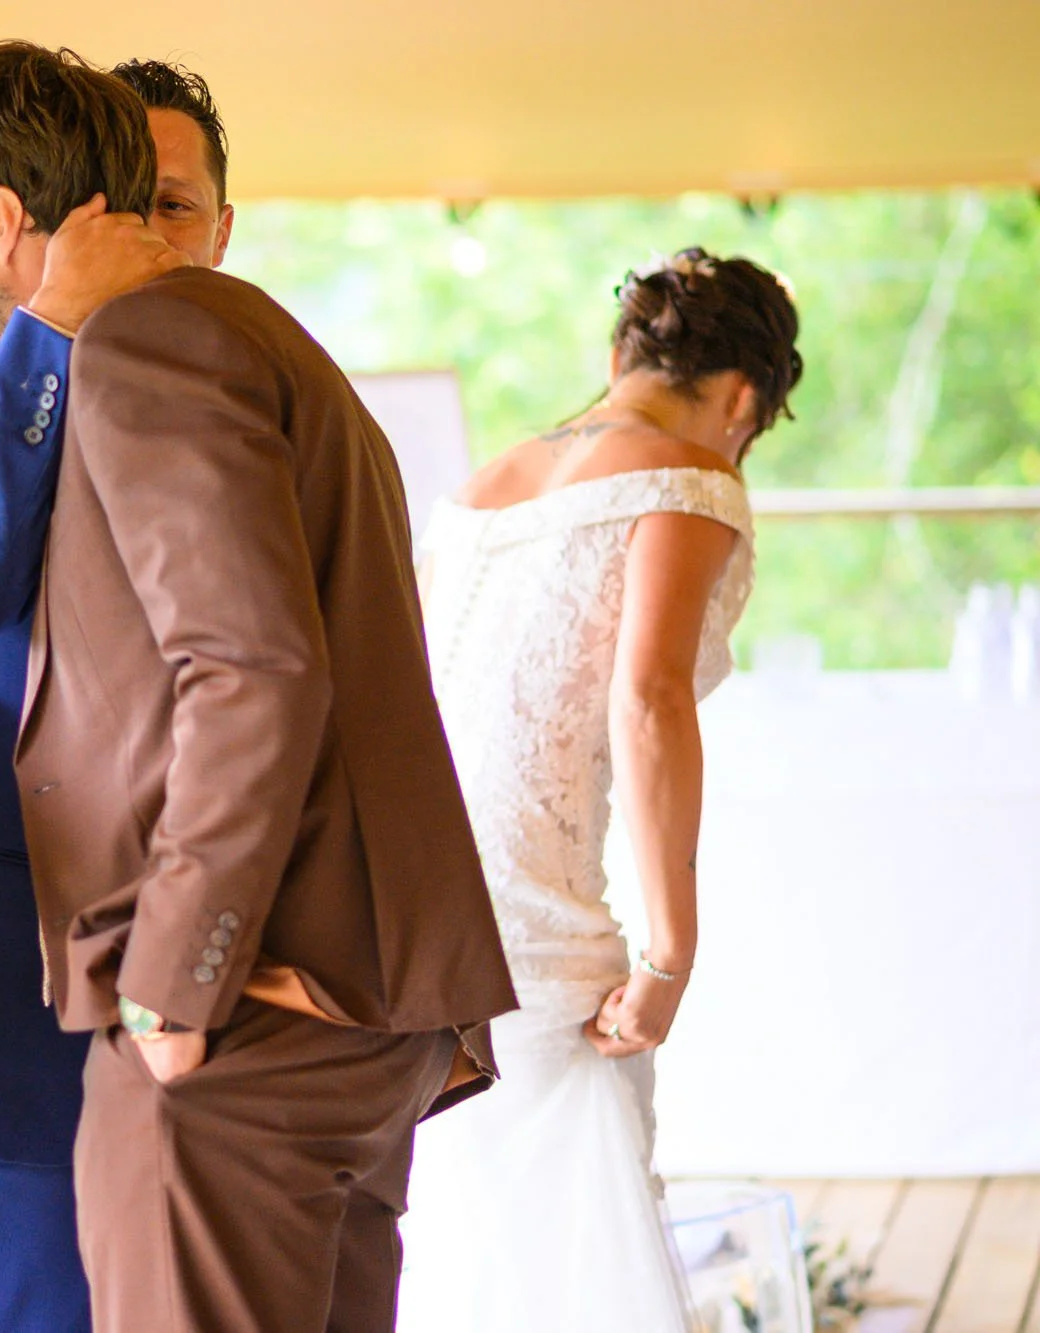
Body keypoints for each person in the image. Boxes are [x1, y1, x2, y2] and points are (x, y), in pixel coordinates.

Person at [0, 41, 518, 1333]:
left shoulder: (171, 349)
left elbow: (255, 671)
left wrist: (176, 976)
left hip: (236, 998)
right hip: (103, 984)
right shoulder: (235, 354)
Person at [0, 54, 233, 1333]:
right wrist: (52, 327)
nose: (137, 237)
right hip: (2, 985)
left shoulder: (225, 413)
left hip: (205, 979)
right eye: (114, 210)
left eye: (166, 206)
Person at [397, 248, 802, 1332]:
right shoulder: (687, 477)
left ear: (620, 357)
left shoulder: (474, 494)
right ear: (742, 399)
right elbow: (650, 700)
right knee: (573, 1263)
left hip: (415, 923)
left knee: (460, 1247)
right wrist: (671, 954)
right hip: (540, 941)